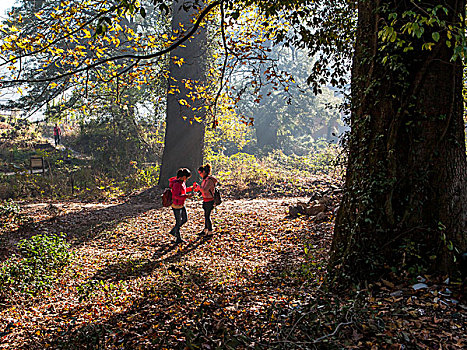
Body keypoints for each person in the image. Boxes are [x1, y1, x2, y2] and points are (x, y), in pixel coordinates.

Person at [168, 168, 195, 244]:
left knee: (184, 219)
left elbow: (183, 190)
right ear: (183, 176)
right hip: (176, 205)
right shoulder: (176, 184)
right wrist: (186, 196)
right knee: (178, 221)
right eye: (186, 177)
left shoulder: (182, 182)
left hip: (181, 204)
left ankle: (174, 231)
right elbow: (176, 196)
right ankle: (178, 238)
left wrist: (191, 188)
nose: (187, 179)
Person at [194, 164, 218, 235]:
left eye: (200, 173)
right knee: (206, 216)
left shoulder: (209, 180)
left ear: (204, 171)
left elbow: (204, 190)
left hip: (210, 200)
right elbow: (202, 189)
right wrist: (197, 188)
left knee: (207, 216)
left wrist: (198, 187)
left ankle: (210, 231)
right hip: (205, 200)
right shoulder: (205, 180)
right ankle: (205, 230)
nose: (200, 175)